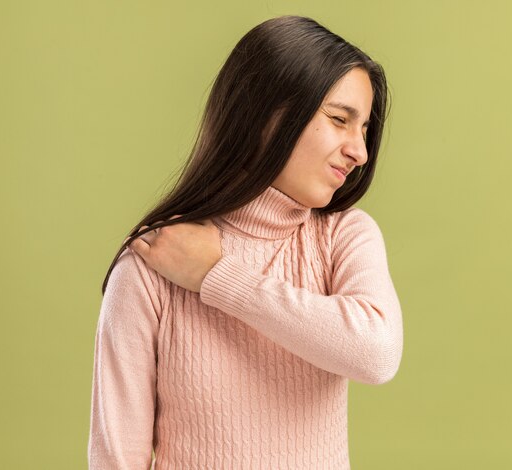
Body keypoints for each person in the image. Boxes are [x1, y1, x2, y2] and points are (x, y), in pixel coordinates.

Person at [87, 14, 403, 470]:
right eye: (339, 120)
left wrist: (218, 277)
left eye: (365, 130)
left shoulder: (343, 236)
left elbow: (376, 353)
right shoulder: (154, 262)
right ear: (265, 116)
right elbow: (117, 457)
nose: (360, 151)